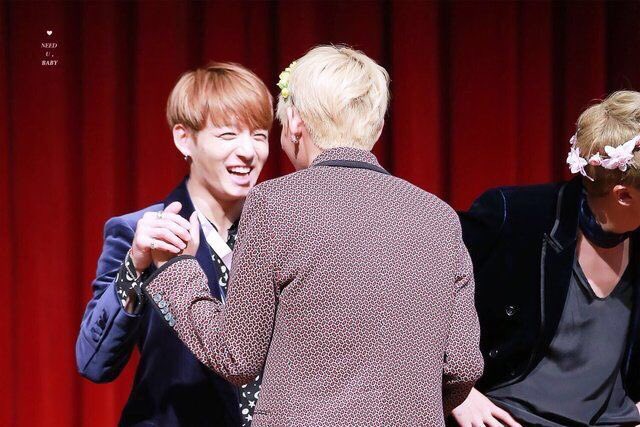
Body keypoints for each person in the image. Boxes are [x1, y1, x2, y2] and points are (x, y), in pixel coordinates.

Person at [138, 45, 483, 426]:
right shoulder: (439, 218)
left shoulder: (275, 204)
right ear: (377, 127)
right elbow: (463, 366)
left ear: (295, 122)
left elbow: (236, 355)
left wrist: (176, 270)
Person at [75, 62, 272, 426]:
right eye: (228, 135)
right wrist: (135, 265)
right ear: (184, 139)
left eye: (259, 135)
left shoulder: (280, 232)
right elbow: (94, 362)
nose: (248, 151)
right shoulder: (137, 231)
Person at [453, 90, 640, 426]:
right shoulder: (515, 217)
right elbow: (421, 294)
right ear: (623, 195)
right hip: (514, 418)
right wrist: (457, 391)